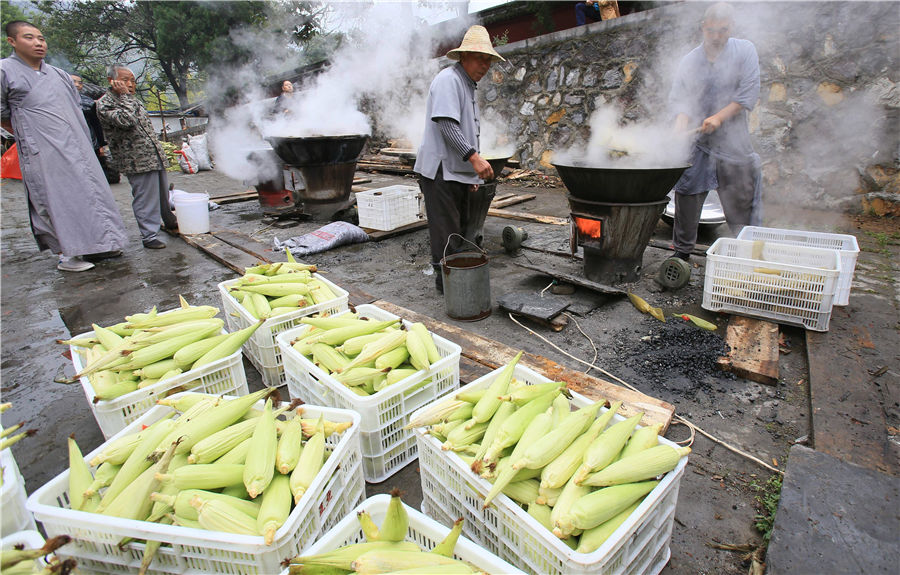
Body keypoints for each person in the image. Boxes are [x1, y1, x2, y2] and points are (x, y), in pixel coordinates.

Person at [1, 21, 127, 272]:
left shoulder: (58, 74)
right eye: (29, 38)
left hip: (76, 144)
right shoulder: (4, 71)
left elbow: (74, 107)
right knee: (59, 199)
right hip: (44, 149)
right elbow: (3, 114)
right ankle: (68, 255)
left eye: (41, 38)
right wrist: (30, 135)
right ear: (12, 41)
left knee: (92, 193)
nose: (39, 43)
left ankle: (101, 243)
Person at [668, 2, 762, 261]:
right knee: (687, 195)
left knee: (740, 197)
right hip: (698, 143)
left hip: (734, 141)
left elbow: (747, 93)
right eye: (712, 31)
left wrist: (719, 118)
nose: (717, 36)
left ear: (731, 27)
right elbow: (681, 100)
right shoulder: (690, 60)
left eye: (723, 30)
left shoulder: (745, 51)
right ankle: (681, 254)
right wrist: (679, 127)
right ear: (703, 28)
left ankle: (748, 253)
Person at [414, 25, 504, 293]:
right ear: (464, 56)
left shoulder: (467, 85)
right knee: (447, 236)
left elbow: (463, 131)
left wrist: (471, 175)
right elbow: (447, 125)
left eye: (488, 59)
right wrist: (475, 160)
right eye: (480, 58)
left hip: (455, 172)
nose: (485, 65)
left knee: (459, 233)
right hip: (439, 172)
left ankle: (456, 285)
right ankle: (448, 289)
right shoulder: (448, 80)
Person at [97, 64, 178, 249]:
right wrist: (125, 96)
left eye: (132, 81)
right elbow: (127, 121)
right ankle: (149, 235)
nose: (130, 84)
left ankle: (169, 219)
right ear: (112, 81)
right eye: (125, 80)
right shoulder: (106, 103)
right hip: (135, 159)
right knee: (145, 198)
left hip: (152, 154)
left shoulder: (133, 100)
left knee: (163, 192)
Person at [70, 73, 119, 184]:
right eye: (74, 81)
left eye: (80, 82)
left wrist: (101, 144)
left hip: (90, 140)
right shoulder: (58, 101)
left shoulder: (88, 102)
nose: (77, 85)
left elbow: (96, 124)